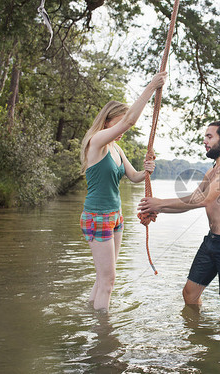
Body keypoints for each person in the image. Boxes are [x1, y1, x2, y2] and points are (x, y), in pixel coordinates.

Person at [138, 120, 220, 314]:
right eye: (205, 136)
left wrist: (160, 202)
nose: (204, 141)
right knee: (190, 294)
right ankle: (198, 334)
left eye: (209, 136)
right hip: (212, 240)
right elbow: (192, 199)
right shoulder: (212, 170)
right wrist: (159, 208)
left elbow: (205, 200)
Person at [80, 71, 167, 312]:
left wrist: (147, 170)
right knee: (109, 280)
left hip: (115, 216)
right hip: (97, 216)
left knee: (103, 277)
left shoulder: (116, 148)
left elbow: (134, 177)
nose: (122, 129)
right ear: (106, 122)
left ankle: (89, 314)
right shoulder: (96, 142)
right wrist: (151, 87)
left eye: (122, 125)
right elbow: (130, 120)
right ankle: (103, 336)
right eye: (116, 124)